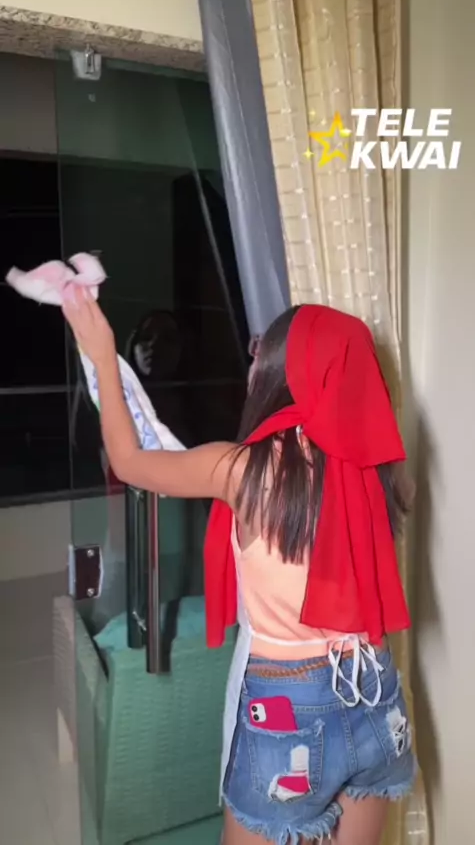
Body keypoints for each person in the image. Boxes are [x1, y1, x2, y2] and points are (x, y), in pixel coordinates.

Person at [63, 290, 417, 845]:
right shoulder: (381, 469)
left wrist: (104, 356)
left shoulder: (244, 469)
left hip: (290, 701)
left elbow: (129, 463)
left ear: (279, 371)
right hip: (374, 688)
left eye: (259, 351)